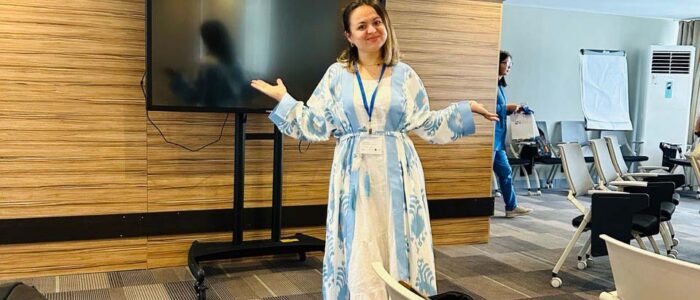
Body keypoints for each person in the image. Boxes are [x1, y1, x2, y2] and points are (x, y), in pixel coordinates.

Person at [251, 1, 497, 298]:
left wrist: (465, 109)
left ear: (386, 25)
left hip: (399, 171)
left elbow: (425, 123)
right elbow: (316, 124)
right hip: (352, 171)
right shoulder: (336, 75)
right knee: (360, 237)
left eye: (376, 22)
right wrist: (285, 100)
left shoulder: (404, 74)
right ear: (349, 36)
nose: (371, 30)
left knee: (397, 236)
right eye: (361, 26)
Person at [167, 20, 250, 107]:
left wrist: (177, 79)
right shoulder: (235, 62)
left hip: (213, 116)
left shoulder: (208, 66)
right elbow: (241, 91)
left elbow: (194, 97)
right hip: (233, 113)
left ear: (208, 40)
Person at [494, 51, 533, 218]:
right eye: (505, 63)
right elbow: (487, 107)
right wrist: (506, 108)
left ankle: (511, 207)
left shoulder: (500, 86)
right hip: (489, 136)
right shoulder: (490, 85)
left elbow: (500, 110)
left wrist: (512, 110)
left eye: (510, 64)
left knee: (506, 172)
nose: (508, 67)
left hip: (499, 138)